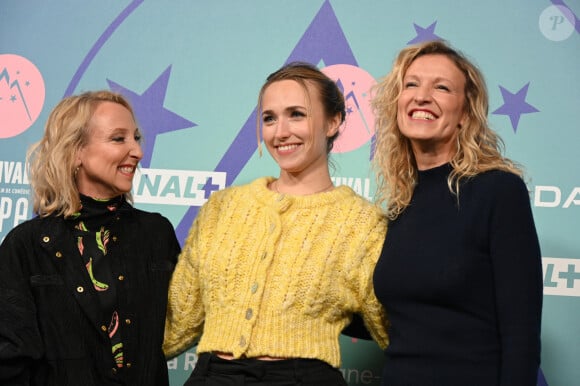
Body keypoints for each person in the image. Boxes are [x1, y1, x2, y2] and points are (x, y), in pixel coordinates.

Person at [163, 62, 389, 386]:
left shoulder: (363, 224)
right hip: (211, 376)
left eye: (297, 114)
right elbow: (176, 324)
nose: (280, 132)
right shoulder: (221, 209)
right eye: (269, 118)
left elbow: (394, 329)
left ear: (333, 121)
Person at [371, 40, 543, 386]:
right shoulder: (401, 204)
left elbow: (520, 334)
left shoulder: (498, 191)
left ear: (465, 114)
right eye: (412, 84)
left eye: (442, 88)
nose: (422, 96)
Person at [0, 90, 181, 385]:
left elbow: (186, 321)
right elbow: (10, 361)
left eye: (136, 138)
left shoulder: (156, 233)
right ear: (76, 152)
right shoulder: (27, 245)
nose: (137, 151)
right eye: (118, 138)